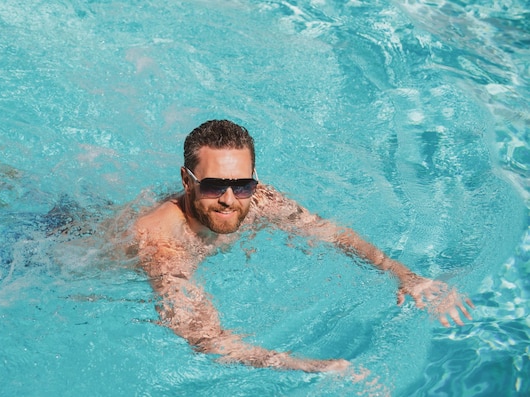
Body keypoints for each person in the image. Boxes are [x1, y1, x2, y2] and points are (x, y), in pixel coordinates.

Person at [132, 119, 474, 373]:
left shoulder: (258, 198)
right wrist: (313, 366)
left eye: (242, 185)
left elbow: (332, 233)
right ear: (185, 180)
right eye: (213, 186)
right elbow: (205, 338)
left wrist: (404, 274)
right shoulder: (161, 243)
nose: (229, 199)